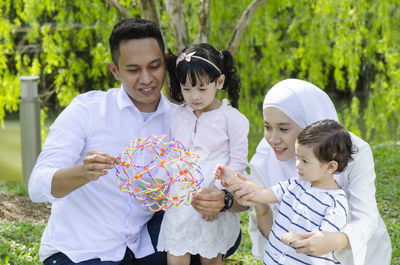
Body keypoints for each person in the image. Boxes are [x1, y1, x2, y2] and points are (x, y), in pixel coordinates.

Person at [240, 79, 391, 265]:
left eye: (283, 128)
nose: (273, 139)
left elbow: (365, 219)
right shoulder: (266, 155)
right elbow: (272, 230)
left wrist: (334, 240)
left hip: (352, 256)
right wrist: (258, 199)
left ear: (310, 122)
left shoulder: (354, 152)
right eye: (267, 127)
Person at [156, 43, 249, 265]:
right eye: (187, 89)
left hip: (210, 197)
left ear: (219, 82)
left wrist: (218, 194)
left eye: (201, 88)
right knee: (176, 254)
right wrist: (160, 181)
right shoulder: (177, 116)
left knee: (210, 257)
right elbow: (171, 154)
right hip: (181, 199)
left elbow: (237, 163)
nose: (193, 96)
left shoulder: (232, 119)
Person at [215, 119, 356, 264]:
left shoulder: (336, 202)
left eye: (305, 161)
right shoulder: (294, 184)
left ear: (330, 167)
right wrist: (234, 181)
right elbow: (261, 195)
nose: (298, 165)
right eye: (297, 157)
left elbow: (324, 240)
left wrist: (300, 239)